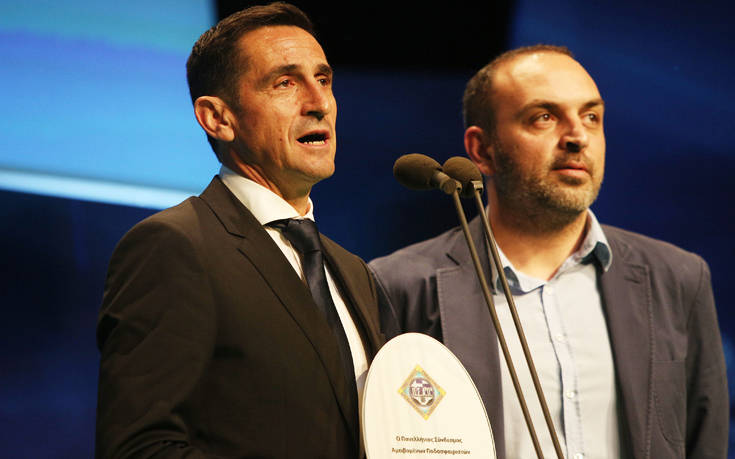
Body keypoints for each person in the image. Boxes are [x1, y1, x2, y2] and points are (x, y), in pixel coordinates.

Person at [369, 45, 728, 459]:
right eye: (544, 117)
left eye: (591, 117)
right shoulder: (400, 285)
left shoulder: (678, 278)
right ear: (481, 150)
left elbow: (705, 442)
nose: (577, 137)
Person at [95, 3, 383, 457]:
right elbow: (140, 447)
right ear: (218, 118)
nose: (319, 103)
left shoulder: (353, 272)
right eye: (285, 82)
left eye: (323, 79)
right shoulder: (174, 247)